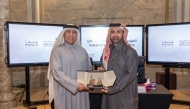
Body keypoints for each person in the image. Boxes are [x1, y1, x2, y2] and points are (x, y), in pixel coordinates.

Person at [47, 24, 92, 109]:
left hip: (81, 93)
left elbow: (89, 69)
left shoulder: (82, 51)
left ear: (77, 35)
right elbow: (57, 74)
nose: (71, 35)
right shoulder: (56, 51)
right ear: (63, 34)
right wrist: (76, 85)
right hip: (64, 92)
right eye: (68, 31)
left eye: (74, 32)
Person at [99, 22, 139, 109]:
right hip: (108, 95)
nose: (115, 35)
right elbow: (103, 66)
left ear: (123, 33)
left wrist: (113, 89)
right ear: (109, 34)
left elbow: (130, 74)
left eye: (118, 32)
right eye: (112, 32)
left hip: (124, 96)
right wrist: (101, 70)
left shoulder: (130, 52)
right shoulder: (106, 51)